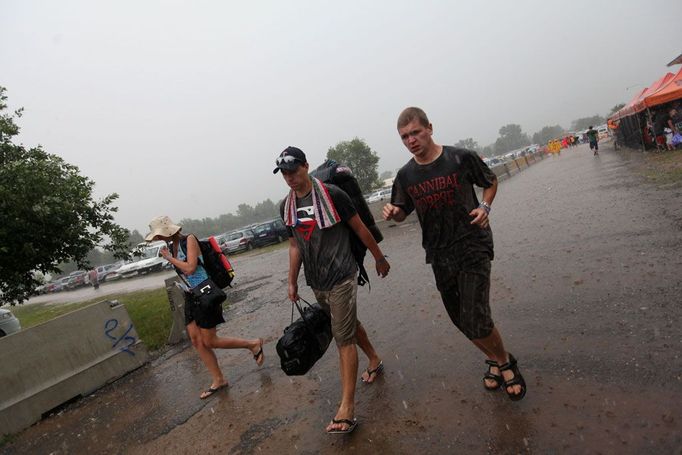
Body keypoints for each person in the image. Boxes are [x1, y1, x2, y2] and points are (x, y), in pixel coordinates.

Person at [382, 107, 526, 401]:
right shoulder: (406, 175)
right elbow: (401, 213)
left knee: (476, 317)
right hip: (438, 253)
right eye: (405, 136)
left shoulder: (460, 158)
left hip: (472, 244)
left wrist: (485, 207)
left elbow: (490, 181)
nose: (411, 140)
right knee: (459, 319)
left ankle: (505, 364)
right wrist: (394, 212)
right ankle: (498, 357)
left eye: (415, 132)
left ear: (430, 128)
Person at [274, 146, 390, 434]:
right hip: (317, 281)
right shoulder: (286, 206)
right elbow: (294, 246)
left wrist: (379, 257)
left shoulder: (333, 196)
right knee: (347, 325)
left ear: (305, 166)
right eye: (284, 172)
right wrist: (292, 281)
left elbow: (360, 228)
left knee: (343, 337)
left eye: (293, 169)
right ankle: (374, 359)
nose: (289, 177)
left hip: (341, 275)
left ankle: (347, 409)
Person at [145, 216, 265, 400]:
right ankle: (218, 379)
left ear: (169, 231)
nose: (159, 239)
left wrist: (170, 259)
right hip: (190, 296)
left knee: (210, 341)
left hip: (206, 294)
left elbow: (191, 268)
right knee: (196, 340)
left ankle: (252, 344)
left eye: (160, 235)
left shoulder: (189, 240)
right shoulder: (172, 247)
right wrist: (171, 255)